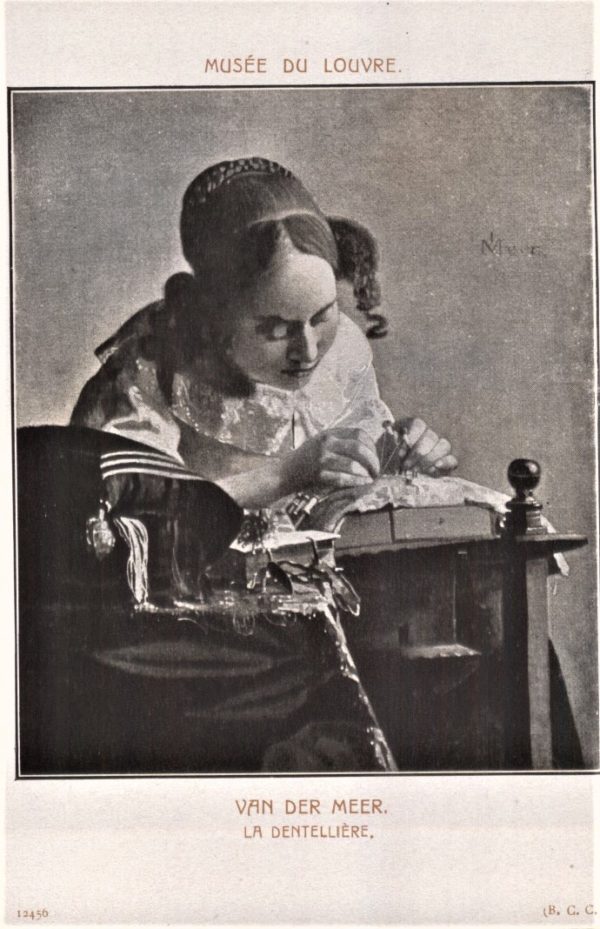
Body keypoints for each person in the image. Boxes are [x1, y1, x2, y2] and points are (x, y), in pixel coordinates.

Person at [72, 156, 456, 507]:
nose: (308, 352)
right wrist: (284, 476)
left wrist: (398, 454)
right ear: (213, 315)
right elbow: (131, 513)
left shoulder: (342, 352)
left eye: (322, 316)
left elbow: (353, 471)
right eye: (276, 329)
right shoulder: (152, 366)